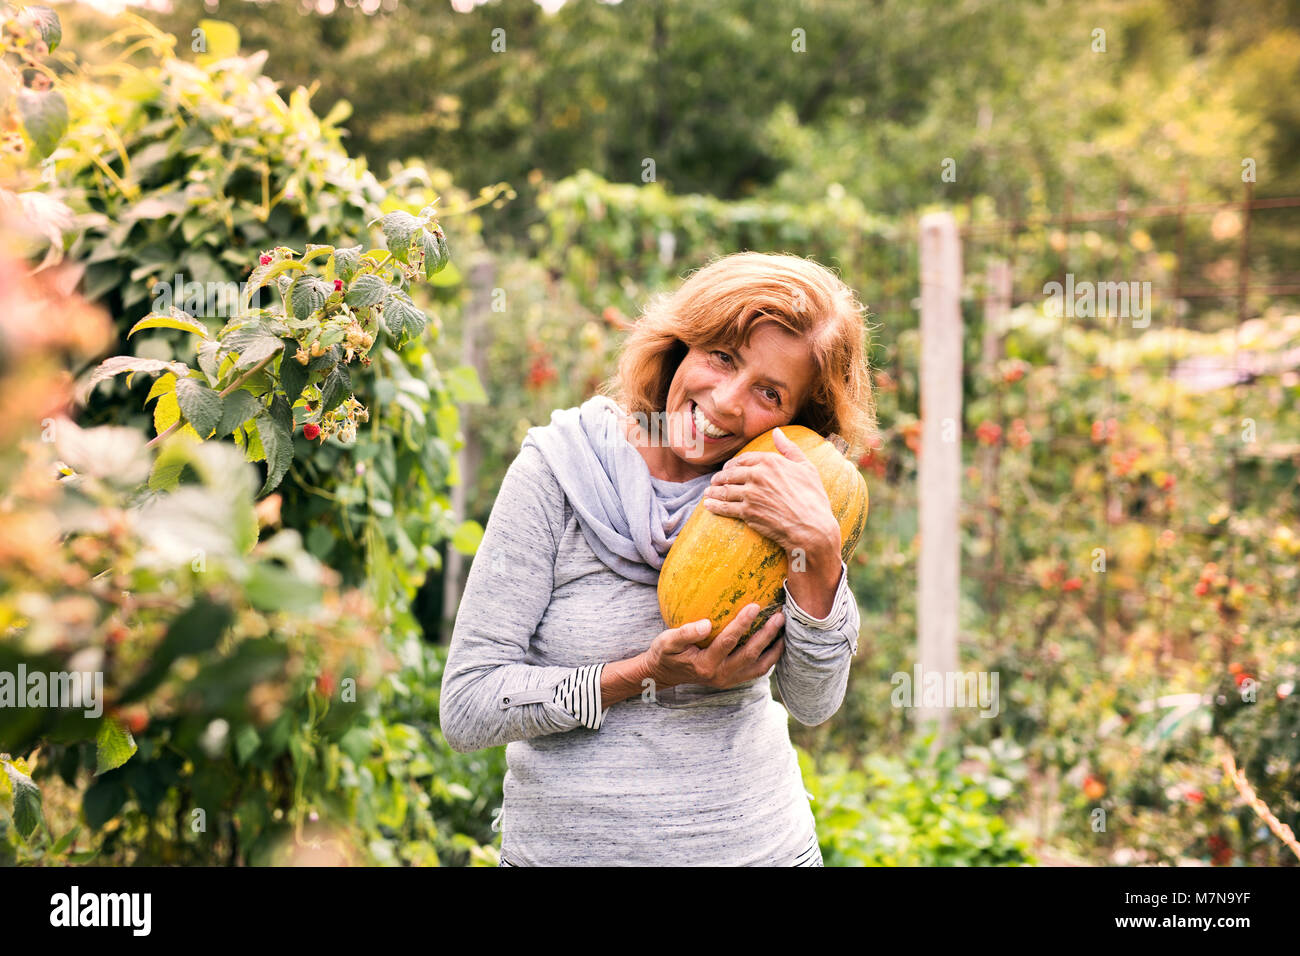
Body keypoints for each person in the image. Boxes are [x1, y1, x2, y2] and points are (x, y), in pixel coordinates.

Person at [440, 250, 876, 865]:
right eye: (722, 357)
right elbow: (468, 706)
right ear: (681, 343)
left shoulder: (788, 497)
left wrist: (820, 551)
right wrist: (642, 674)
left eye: (769, 393)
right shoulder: (559, 471)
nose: (726, 402)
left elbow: (813, 703)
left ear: (797, 420)